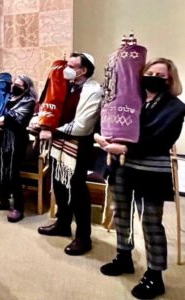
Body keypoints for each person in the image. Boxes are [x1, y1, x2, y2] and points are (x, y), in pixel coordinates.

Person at [97, 58, 185, 299]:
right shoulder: (130, 100)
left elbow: (159, 140)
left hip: (151, 170)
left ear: (169, 80)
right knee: (122, 213)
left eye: (161, 74)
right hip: (123, 167)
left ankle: (155, 275)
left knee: (150, 222)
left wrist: (123, 148)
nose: (154, 76)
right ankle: (124, 257)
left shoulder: (175, 107)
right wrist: (106, 138)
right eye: (150, 71)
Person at [37, 53, 103, 255]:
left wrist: (52, 130)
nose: (66, 68)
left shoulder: (94, 90)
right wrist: (41, 123)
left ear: (83, 70)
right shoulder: (63, 86)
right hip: (58, 144)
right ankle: (63, 223)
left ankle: (84, 237)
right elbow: (50, 109)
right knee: (59, 185)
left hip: (78, 145)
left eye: (71, 65)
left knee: (77, 191)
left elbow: (83, 125)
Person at [0, 75, 37, 222]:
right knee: (1, 171)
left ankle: (18, 207)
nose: (15, 86)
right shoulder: (6, 98)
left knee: (13, 174)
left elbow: (11, 118)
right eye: (14, 83)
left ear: (26, 88)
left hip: (15, 142)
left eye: (19, 84)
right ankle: (3, 200)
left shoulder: (28, 101)